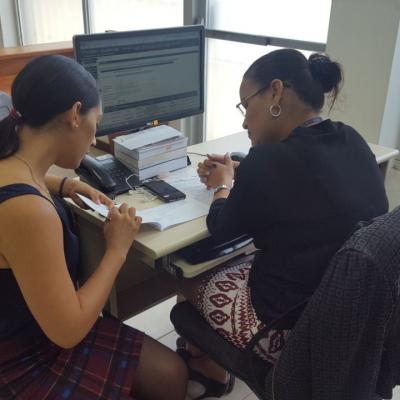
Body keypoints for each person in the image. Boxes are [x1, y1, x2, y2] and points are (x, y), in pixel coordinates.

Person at [178, 49, 389, 399]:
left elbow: (221, 226)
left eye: (246, 105)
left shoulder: (267, 161)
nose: (245, 122)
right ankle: (210, 367)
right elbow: (312, 182)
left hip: (285, 330)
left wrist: (222, 185)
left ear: (276, 92)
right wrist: (244, 175)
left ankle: (209, 369)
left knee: (185, 274)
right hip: (354, 325)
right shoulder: (352, 139)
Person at [0, 55, 187, 400]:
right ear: (74, 115)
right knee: (170, 378)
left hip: (38, 322)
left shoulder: (14, 157)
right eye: (96, 122)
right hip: (24, 351)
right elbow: (67, 332)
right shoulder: (28, 212)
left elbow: (27, 180)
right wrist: (117, 249)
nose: (93, 137)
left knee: (171, 373)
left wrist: (67, 186)